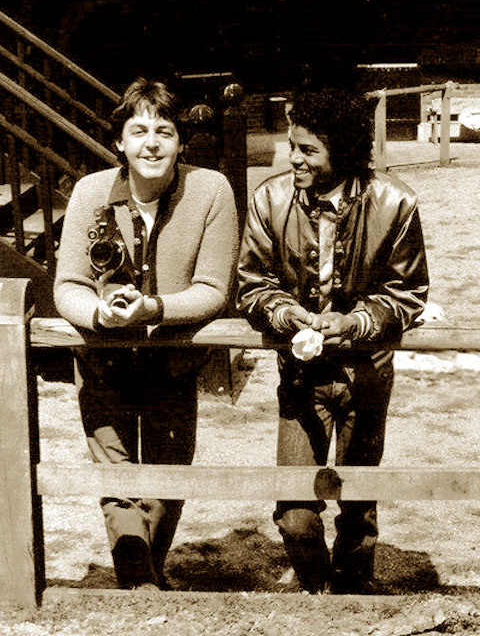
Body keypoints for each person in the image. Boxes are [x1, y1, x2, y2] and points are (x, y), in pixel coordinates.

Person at [237, 88, 429, 595]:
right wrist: (284, 312)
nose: (293, 159)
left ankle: (353, 590)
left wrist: (356, 322)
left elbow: (408, 293)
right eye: (291, 146)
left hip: (367, 374)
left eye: (308, 150)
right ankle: (315, 588)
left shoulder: (397, 202)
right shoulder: (269, 199)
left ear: (342, 152)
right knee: (295, 510)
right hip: (301, 376)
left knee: (359, 502)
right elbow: (252, 283)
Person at [54, 77, 238, 592]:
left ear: (181, 142)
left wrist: (153, 308)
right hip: (102, 360)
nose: (151, 144)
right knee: (117, 481)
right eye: (138, 131)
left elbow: (213, 289)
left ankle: (143, 579)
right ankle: (141, 586)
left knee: (167, 478)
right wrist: (99, 315)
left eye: (164, 132)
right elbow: (68, 285)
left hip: (172, 363)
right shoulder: (90, 192)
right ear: (119, 142)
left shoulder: (211, 190)